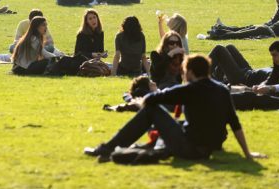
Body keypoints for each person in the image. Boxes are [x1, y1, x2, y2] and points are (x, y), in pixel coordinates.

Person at [84, 54, 264, 162]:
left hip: (192, 148)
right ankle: (127, 149)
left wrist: (140, 102)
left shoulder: (190, 89)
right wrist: (247, 153)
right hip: (211, 146)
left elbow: (154, 98)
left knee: (151, 110)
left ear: (191, 72)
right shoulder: (222, 90)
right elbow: (235, 123)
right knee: (174, 122)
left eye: (185, 71)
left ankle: (108, 148)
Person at [206, 12, 279, 40]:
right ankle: (217, 35)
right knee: (239, 34)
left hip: (263, 27)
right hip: (265, 31)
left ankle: (218, 31)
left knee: (239, 31)